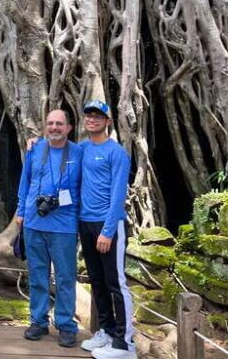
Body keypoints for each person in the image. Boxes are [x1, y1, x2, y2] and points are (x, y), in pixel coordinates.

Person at [16, 109, 83, 348]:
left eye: (59, 124)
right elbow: (25, 182)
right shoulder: (35, 149)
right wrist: (20, 212)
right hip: (34, 223)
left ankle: (66, 325)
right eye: (50, 123)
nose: (54, 127)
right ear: (45, 126)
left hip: (64, 225)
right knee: (37, 274)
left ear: (69, 128)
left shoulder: (79, 152)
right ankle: (38, 320)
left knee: (65, 276)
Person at [78, 100, 135, 359]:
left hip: (108, 224)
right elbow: (56, 146)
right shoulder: (82, 148)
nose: (92, 119)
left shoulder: (117, 153)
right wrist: (34, 143)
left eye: (98, 116)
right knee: (97, 280)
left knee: (115, 282)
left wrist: (108, 231)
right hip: (86, 222)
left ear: (108, 121)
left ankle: (125, 343)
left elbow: (118, 195)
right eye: (89, 115)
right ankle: (107, 331)